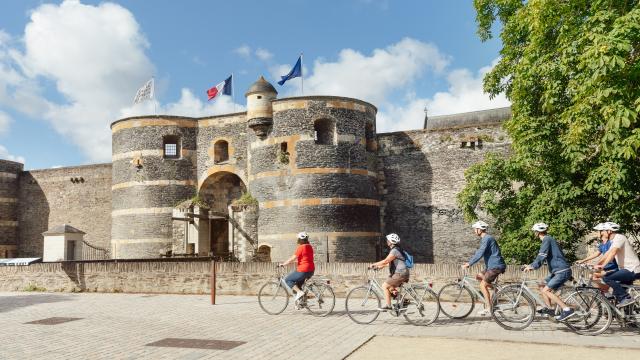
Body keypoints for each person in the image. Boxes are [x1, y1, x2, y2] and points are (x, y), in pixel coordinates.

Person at [523, 223, 575, 321]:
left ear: (537, 233)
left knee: (546, 290)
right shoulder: (549, 239)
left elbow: (541, 256)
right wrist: (531, 265)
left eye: (534, 232)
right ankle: (550, 309)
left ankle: (566, 309)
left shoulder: (547, 239)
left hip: (561, 271)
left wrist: (532, 266)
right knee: (542, 285)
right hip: (557, 271)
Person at [462, 220, 506, 316]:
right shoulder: (485, 238)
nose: (474, 231)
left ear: (480, 230)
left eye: (475, 229)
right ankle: (496, 289)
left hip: (495, 266)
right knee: (479, 276)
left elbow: (480, 253)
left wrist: (469, 263)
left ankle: (489, 307)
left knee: (482, 285)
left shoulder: (487, 238)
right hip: (491, 266)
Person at [596, 222, 640, 307]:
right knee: (616, 294)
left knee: (607, 278)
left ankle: (626, 298)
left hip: (633, 269)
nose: (601, 233)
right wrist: (597, 264)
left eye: (603, 231)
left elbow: (613, 252)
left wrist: (603, 266)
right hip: (626, 270)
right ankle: (626, 316)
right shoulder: (613, 241)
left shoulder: (619, 238)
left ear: (609, 231)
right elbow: (607, 253)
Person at [369, 233, 409, 311]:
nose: (387, 241)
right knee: (390, 288)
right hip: (402, 273)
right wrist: (379, 267)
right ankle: (404, 300)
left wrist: (373, 265)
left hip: (400, 273)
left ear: (391, 241)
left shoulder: (394, 251)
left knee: (384, 286)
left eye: (388, 240)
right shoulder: (397, 249)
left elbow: (386, 261)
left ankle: (388, 305)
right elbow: (390, 263)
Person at [576, 223, 617, 292]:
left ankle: (607, 292)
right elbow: (597, 253)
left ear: (603, 232)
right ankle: (605, 293)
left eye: (598, 231)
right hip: (606, 267)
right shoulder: (603, 244)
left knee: (593, 276)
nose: (597, 233)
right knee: (592, 276)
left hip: (612, 267)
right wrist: (583, 260)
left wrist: (597, 264)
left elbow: (607, 256)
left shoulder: (610, 243)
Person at [280, 232, 315, 302]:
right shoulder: (310, 247)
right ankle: (301, 302)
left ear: (300, 239)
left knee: (288, 280)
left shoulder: (301, 247)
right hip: (311, 270)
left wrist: (283, 264)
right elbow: (306, 258)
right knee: (297, 286)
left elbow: (293, 258)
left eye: (298, 239)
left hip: (303, 270)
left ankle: (300, 292)